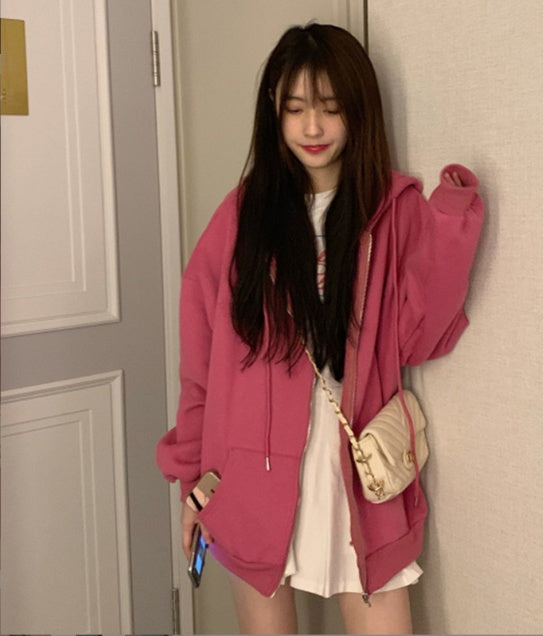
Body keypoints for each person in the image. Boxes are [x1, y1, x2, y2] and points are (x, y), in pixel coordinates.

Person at [157, 22, 484, 635]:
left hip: (356, 480)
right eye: (295, 108)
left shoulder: (391, 210)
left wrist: (450, 220)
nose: (313, 127)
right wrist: (191, 481)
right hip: (248, 480)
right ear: (273, 112)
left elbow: (422, 337)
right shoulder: (241, 217)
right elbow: (201, 365)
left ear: (358, 110)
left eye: (330, 108)